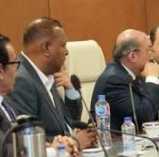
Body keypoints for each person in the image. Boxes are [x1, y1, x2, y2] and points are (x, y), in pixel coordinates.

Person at [10, 18, 95, 148]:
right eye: (63, 45)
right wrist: (73, 142)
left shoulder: (46, 74)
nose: (66, 51)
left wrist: (85, 135)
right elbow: (30, 139)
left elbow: (69, 120)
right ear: (46, 48)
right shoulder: (21, 80)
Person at [91, 29, 159, 130]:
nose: (152, 56)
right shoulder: (114, 80)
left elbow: (156, 108)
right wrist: (152, 78)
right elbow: (144, 116)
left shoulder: (134, 73)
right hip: (115, 138)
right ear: (133, 56)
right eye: (148, 50)